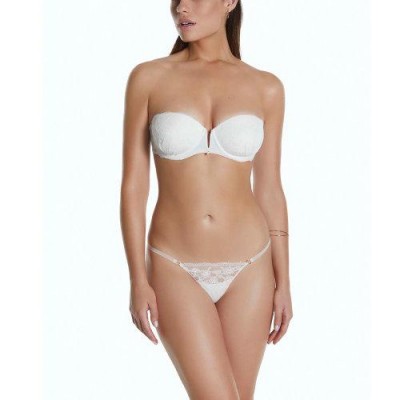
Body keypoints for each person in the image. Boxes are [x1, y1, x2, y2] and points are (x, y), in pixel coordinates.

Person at [120, 1, 293, 398]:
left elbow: (270, 187)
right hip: (174, 265)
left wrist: (284, 281)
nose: (182, 7)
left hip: (251, 267)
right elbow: (134, 186)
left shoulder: (266, 87)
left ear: (230, 1)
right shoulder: (149, 78)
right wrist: (137, 279)